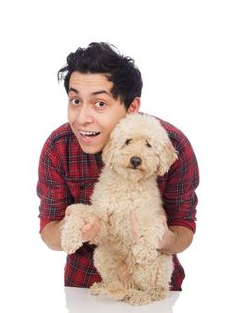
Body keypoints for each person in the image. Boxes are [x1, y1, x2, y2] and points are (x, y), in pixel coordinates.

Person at [37, 42, 199, 291]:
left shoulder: (169, 144)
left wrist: (164, 238)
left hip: (153, 291)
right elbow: (48, 232)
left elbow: (184, 229)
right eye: (75, 100)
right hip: (83, 289)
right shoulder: (59, 147)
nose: (82, 118)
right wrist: (77, 229)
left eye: (100, 104)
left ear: (132, 107)